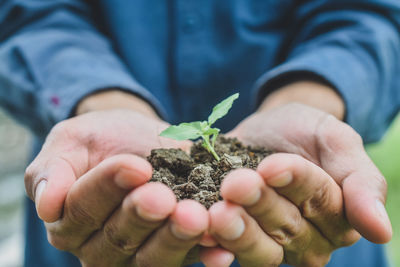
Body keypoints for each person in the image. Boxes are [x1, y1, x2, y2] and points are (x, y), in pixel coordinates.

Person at [0, 0, 399, 266]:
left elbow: (372, 14)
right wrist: (99, 100)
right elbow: (30, 13)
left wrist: (313, 99)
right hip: (97, 216)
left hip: (309, 222)